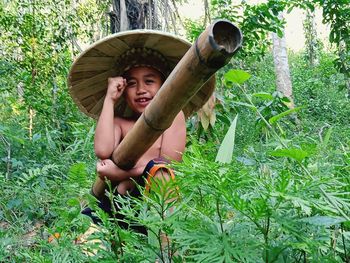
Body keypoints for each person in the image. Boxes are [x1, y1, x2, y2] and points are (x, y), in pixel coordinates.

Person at [68, 30, 215, 231]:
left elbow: (168, 165)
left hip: (154, 203)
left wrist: (120, 173)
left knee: (160, 171)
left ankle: (164, 248)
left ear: (164, 85)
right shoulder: (120, 123)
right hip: (117, 204)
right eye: (131, 84)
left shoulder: (174, 117)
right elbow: (102, 151)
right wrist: (110, 99)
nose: (141, 90)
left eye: (149, 81)